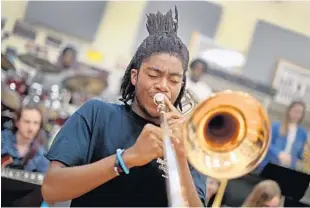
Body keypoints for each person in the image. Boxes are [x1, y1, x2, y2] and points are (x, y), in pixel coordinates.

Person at [41, 8, 206, 207]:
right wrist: (126, 159)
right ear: (135, 76)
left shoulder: (189, 143)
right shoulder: (97, 114)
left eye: (174, 80)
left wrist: (181, 157)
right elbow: (51, 190)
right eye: (154, 75)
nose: (163, 85)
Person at [1, 104, 49, 173]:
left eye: (36, 123)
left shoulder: (41, 155)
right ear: (17, 122)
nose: (31, 128)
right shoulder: (2, 139)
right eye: (27, 122)